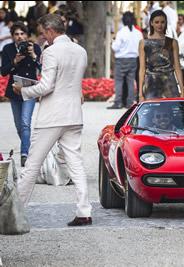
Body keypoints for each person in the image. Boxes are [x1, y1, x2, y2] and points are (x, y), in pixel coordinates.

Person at [12, 13, 92, 227]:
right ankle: (84, 211)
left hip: (52, 117)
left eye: (43, 33)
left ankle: (16, 213)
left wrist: (24, 90)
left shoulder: (51, 51)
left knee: (32, 165)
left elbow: (47, 86)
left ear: (50, 31)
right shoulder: (81, 51)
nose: (42, 38)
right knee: (76, 164)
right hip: (74, 114)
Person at [1, 21, 42, 167]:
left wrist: (33, 55)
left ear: (26, 35)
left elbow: (42, 68)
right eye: (16, 34)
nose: (19, 37)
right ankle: (29, 148)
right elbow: (3, 71)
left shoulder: (34, 47)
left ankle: (25, 154)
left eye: (22, 34)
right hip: (14, 90)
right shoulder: (7, 49)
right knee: (19, 126)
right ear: (12, 36)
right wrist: (15, 61)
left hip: (29, 90)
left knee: (25, 123)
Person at [138, 10, 184, 102]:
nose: (160, 25)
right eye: (157, 22)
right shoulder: (144, 43)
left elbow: (177, 67)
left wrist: (182, 91)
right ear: (151, 23)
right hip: (152, 84)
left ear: (166, 23)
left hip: (169, 83)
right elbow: (142, 68)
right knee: (153, 113)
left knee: (171, 113)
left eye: (162, 22)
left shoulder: (171, 42)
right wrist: (140, 93)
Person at [107, 12, 143, 109]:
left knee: (119, 81)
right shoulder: (138, 33)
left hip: (122, 59)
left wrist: (113, 42)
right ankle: (129, 102)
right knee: (130, 81)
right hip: (134, 59)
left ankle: (118, 102)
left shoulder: (121, 32)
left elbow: (116, 48)